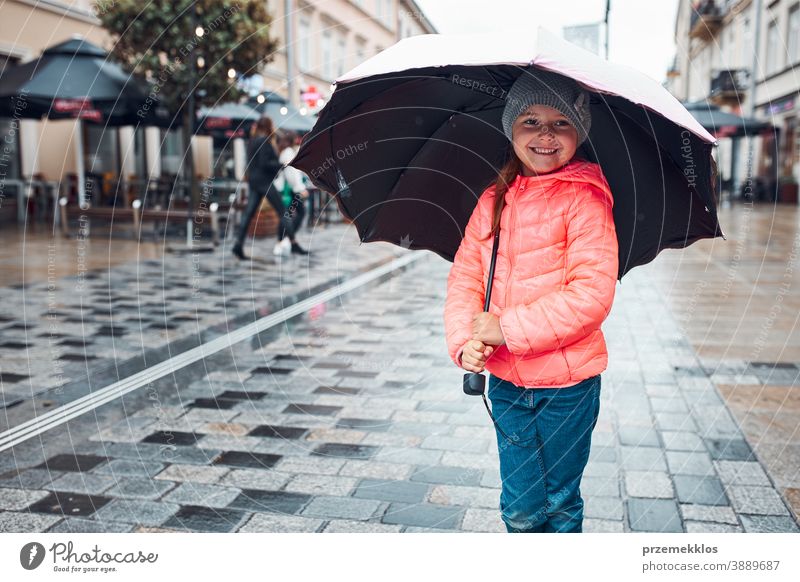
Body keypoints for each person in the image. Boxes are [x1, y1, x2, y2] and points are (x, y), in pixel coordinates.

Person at [443, 69, 619, 533]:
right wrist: (466, 340)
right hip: (506, 381)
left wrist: (507, 328)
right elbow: (466, 277)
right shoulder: (493, 200)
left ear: (578, 134)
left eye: (561, 123)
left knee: (559, 501)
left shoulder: (587, 201)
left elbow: (592, 293)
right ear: (510, 129)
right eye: (530, 120)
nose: (545, 134)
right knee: (520, 506)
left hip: (568, 386)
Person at [231, 118, 308, 260]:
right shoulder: (263, 141)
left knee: (248, 214)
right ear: (268, 126)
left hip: (254, 182)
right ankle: (293, 243)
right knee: (283, 212)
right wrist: (281, 164)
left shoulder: (252, 141)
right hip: (265, 182)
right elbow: (265, 163)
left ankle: (238, 244)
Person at [272, 130, 310, 256]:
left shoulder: (285, 151)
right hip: (291, 191)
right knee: (297, 214)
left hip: (287, 190)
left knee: (287, 215)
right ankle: (288, 240)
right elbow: (291, 173)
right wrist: (300, 189)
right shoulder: (288, 152)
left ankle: (285, 240)